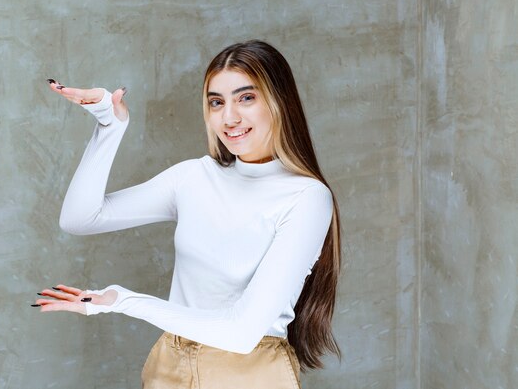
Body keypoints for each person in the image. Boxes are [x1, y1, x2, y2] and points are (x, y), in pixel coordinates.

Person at [33, 40, 341, 389]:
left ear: (279, 101)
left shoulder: (307, 197)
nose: (229, 117)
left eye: (246, 98)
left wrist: (123, 301)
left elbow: (241, 334)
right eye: (216, 102)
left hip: (249, 373)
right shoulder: (194, 177)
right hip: (170, 365)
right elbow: (79, 219)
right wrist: (109, 127)